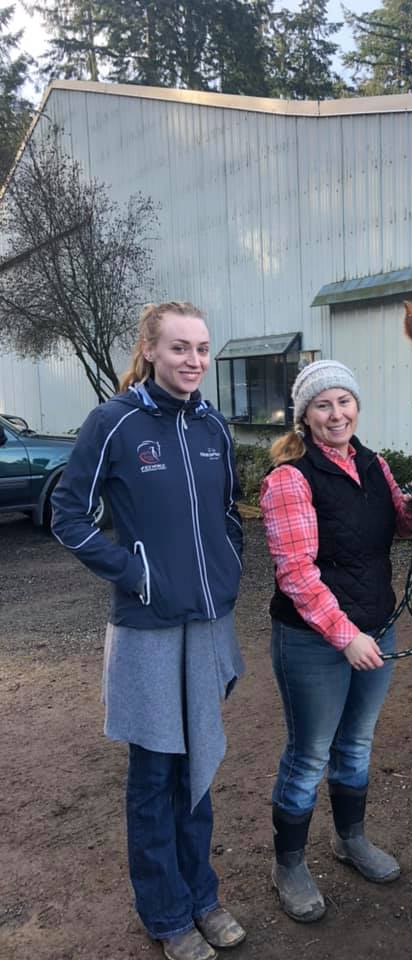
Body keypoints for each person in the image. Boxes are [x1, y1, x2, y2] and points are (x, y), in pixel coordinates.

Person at [51, 302, 246, 960]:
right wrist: (133, 574)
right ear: (151, 351)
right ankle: (165, 915)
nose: (193, 361)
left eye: (202, 348)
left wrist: (229, 568)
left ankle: (203, 899)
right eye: (180, 348)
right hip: (147, 627)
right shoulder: (115, 423)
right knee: (154, 776)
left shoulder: (214, 425)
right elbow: (67, 513)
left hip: (207, 625)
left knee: (197, 767)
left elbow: (227, 515)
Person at [260, 359, 412, 923]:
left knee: (355, 745)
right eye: (323, 405)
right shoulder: (291, 478)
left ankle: (350, 840)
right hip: (314, 642)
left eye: (344, 402)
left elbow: (399, 527)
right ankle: (288, 865)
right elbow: (297, 574)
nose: (337, 414)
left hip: (376, 629)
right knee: (309, 755)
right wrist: (346, 636)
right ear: (305, 416)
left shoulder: (374, 464)